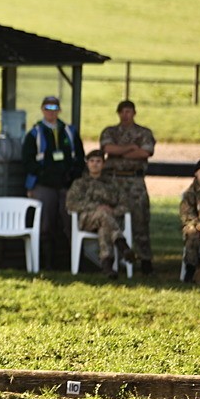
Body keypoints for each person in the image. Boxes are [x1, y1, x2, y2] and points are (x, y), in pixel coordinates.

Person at [23, 95, 85, 270]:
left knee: (69, 222)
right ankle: (47, 263)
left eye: (54, 108)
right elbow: (27, 161)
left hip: (66, 184)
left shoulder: (69, 132)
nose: (51, 112)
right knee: (45, 224)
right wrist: (42, 174)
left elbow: (80, 157)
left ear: (59, 110)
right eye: (47, 109)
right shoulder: (35, 133)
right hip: (43, 184)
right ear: (42, 110)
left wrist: (72, 174)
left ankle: (71, 263)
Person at [100, 100, 156, 274]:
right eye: (122, 112)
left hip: (135, 183)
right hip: (114, 182)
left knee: (140, 219)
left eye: (129, 111)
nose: (125, 115)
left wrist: (119, 151)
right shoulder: (110, 131)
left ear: (134, 113)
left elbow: (145, 152)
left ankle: (145, 260)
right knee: (112, 218)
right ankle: (113, 259)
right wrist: (130, 148)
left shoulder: (144, 132)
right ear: (118, 113)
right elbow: (107, 147)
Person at [66, 150, 136, 278]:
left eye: (98, 161)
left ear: (103, 164)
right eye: (92, 161)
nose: (95, 164)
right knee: (102, 214)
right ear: (87, 164)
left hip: (110, 220)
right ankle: (122, 244)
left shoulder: (112, 184)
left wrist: (113, 211)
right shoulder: (80, 184)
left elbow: (126, 204)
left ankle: (107, 266)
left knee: (104, 228)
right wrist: (97, 207)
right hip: (87, 219)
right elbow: (71, 204)